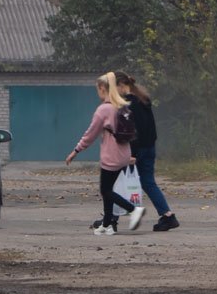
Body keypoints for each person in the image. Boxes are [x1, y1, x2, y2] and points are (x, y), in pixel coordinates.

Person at [66, 71, 146, 235]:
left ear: (103, 88)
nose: (97, 92)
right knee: (108, 189)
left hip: (112, 157)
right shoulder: (121, 105)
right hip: (124, 154)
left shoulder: (104, 109)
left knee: (106, 190)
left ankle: (133, 210)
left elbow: (90, 134)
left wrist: (76, 150)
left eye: (98, 89)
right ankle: (107, 225)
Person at [115, 71, 179, 231]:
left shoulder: (129, 104)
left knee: (116, 181)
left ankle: (111, 219)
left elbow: (135, 131)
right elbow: (150, 128)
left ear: (122, 86)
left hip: (136, 150)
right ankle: (168, 216)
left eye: (114, 88)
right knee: (148, 182)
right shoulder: (143, 100)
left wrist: (133, 154)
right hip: (149, 147)